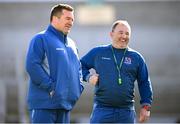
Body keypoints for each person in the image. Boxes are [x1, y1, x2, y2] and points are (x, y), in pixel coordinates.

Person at [80, 20, 153, 123]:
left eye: (127, 33)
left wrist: (146, 107)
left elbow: (144, 82)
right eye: (121, 32)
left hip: (126, 112)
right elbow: (79, 66)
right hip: (102, 110)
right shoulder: (98, 52)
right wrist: (88, 77)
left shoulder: (137, 58)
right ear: (111, 34)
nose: (124, 36)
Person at [26, 4, 84, 123]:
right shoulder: (41, 39)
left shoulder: (72, 44)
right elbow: (32, 65)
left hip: (64, 106)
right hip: (44, 105)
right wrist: (51, 88)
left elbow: (78, 69)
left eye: (72, 19)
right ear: (55, 18)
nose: (71, 22)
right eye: (67, 18)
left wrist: (78, 88)